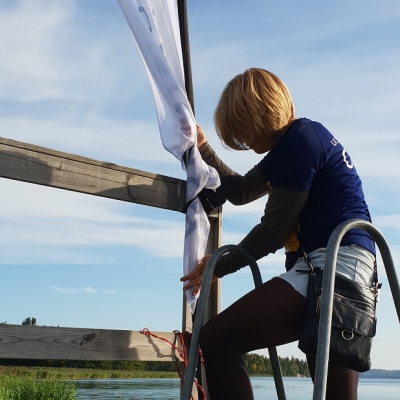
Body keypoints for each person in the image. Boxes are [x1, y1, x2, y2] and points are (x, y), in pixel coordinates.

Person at [180, 68, 376, 400]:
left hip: (335, 267)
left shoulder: (299, 143)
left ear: (256, 119)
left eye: (242, 134)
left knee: (215, 339)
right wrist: (204, 148)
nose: (243, 143)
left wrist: (217, 266)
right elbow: (242, 191)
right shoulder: (296, 143)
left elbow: (273, 232)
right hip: (345, 269)